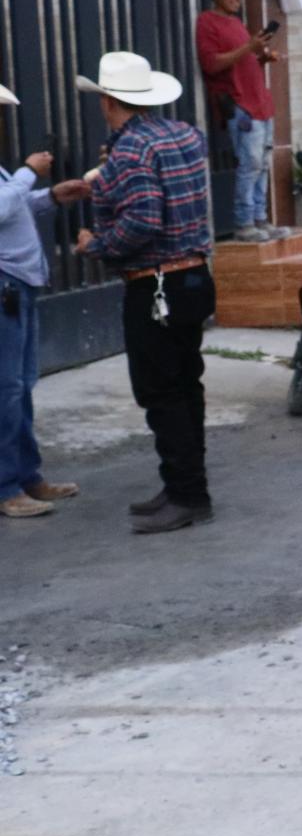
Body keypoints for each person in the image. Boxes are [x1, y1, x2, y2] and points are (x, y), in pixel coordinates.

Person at [73, 53, 217, 534]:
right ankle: (184, 486)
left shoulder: (130, 150)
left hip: (156, 284)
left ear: (108, 101)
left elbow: (143, 220)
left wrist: (98, 244)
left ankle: (187, 493)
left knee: (162, 393)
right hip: (193, 275)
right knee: (186, 385)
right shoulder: (184, 135)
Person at [0, 80, 84, 519]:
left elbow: (11, 207)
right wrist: (29, 174)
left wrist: (49, 196)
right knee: (7, 389)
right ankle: (6, 486)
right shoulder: (11, 173)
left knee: (20, 385)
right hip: (6, 286)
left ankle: (26, 476)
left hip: (16, 284)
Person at [195, 0, 277, 241]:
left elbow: (242, 62)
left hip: (259, 102)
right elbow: (212, 64)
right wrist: (249, 48)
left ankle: (260, 219)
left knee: (263, 163)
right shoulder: (207, 22)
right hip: (239, 104)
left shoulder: (236, 23)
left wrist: (262, 58)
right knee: (250, 163)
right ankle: (244, 224)